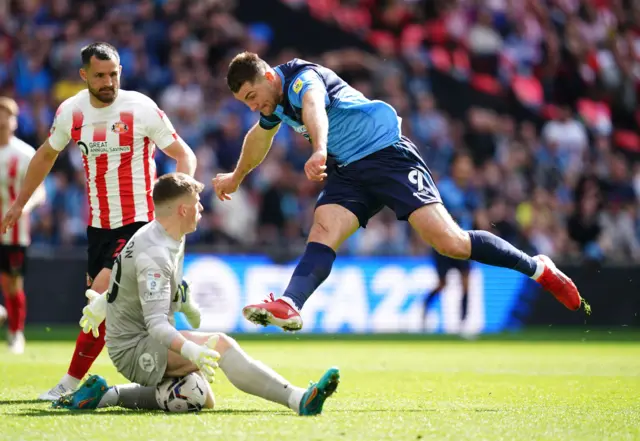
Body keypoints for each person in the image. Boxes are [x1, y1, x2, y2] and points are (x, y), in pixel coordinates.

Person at [213, 52, 590, 332]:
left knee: (451, 242)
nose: (254, 105)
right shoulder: (274, 103)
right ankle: (289, 303)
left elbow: (315, 108)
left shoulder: (300, 78)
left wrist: (319, 149)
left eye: (252, 96)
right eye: (246, 102)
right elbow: (259, 137)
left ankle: (538, 268)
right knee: (323, 229)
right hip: (350, 170)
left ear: (266, 75)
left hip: (386, 154)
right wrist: (236, 176)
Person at [0, 42, 197, 400]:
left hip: (140, 223)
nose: (109, 82)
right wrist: (19, 204)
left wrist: (178, 208)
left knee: (100, 299)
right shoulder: (71, 112)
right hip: (99, 228)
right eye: (100, 76)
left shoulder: (141, 108)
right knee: (105, 311)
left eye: (114, 74)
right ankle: (172, 351)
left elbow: (184, 155)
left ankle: (68, 384)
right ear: (84, 76)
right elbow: (45, 156)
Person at [52, 173, 340, 415]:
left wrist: (105, 304)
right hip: (135, 348)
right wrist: (192, 350)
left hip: (141, 338)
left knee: (198, 395)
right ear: (182, 209)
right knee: (222, 346)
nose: (202, 208)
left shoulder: (166, 234)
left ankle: (107, 395)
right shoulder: (154, 252)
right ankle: (300, 399)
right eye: (197, 203)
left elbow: (130, 280)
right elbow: (155, 324)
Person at [0, 97, 46, 353]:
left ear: (15, 121)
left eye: (5, 115)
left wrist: (24, 208)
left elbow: (41, 191)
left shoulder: (25, 154)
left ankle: (16, 333)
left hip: (15, 232)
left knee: (13, 283)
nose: (1, 120)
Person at [423, 153, 480, 331]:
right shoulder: (443, 188)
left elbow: (477, 215)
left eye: (468, 165)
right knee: (442, 284)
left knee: (466, 282)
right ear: (454, 167)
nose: (465, 169)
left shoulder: (472, 191)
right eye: (462, 164)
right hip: (443, 242)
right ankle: (424, 311)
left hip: (464, 242)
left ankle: (463, 325)